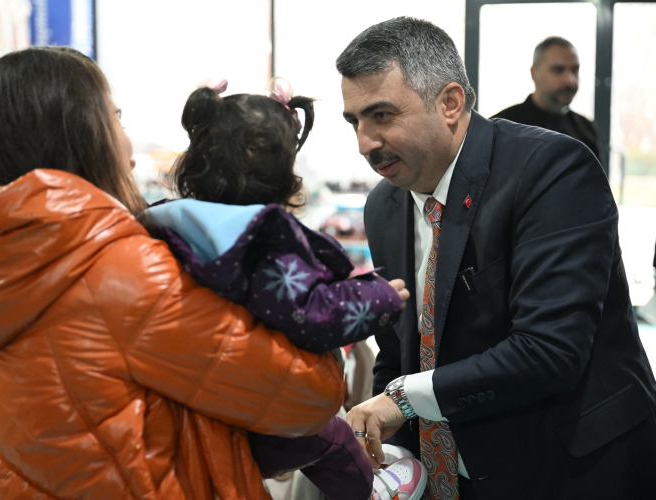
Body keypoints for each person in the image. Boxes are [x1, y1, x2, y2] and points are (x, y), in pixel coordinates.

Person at [0, 46, 344, 500]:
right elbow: (309, 394)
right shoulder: (118, 270)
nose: (128, 144)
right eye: (118, 119)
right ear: (83, 135)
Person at [337, 17, 656, 500]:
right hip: (453, 474)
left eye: (381, 115)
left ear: (450, 103)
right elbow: (401, 349)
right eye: (355, 122)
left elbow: (550, 351)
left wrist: (402, 400)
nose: (365, 143)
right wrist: (384, 434)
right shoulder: (384, 205)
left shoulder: (551, 171)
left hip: (570, 467)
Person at [139, 80, 410, 500]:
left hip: (204, 411)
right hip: (267, 415)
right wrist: (379, 299)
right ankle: (372, 492)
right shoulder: (261, 243)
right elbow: (311, 312)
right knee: (335, 439)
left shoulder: (171, 224)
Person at [492, 36, 601, 160]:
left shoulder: (586, 129)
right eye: (558, 70)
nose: (569, 80)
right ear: (534, 73)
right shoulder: (501, 128)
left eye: (574, 70)